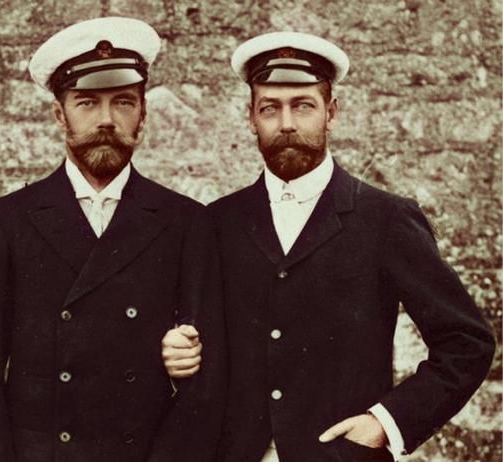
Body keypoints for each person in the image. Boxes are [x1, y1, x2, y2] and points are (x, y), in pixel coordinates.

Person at [161, 31, 495, 462]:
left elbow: (466, 342)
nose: (286, 123)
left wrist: (385, 422)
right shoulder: (217, 222)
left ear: (331, 112)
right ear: (251, 117)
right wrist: (174, 351)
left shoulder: (386, 218)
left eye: (303, 105)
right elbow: (185, 336)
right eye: (270, 108)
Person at [0, 17, 226, 462]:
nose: (105, 120)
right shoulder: (8, 221)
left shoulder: (186, 222)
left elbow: (206, 386)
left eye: (123, 102)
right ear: (60, 115)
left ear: (143, 114)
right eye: (86, 103)